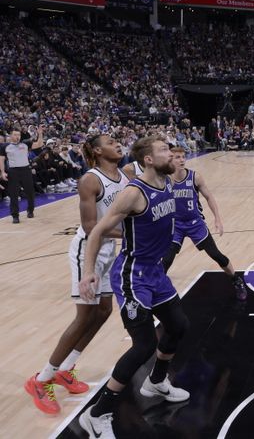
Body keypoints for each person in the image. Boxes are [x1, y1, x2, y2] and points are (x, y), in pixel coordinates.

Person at [78, 137, 189, 438]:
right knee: (143, 346)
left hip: (155, 273)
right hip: (132, 276)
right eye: (166, 151)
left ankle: (156, 381)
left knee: (178, 326)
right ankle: (97, 414)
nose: (174, 154)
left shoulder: (166, 182)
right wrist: (89, 272)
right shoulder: (133, 193)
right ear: (149, 160)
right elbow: (97, 230)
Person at [24, 134, 128, 415]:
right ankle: (41, 378)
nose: (117, 143)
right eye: (109, 141)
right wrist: (133, 233)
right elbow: (91, 225)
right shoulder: (90, 180)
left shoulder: (123, 176)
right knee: (84, 316)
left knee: (103, 311)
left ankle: (66, 368)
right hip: (88, 250)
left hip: (109, 248)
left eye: (117, 140)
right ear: (96, 150)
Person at [161, 146, 247, 300]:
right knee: (166, 260)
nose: (181, 160)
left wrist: (217, 218)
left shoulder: (195, 177)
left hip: (195, 224)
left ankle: (236, 280)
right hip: (175, 225)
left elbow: (209, 197)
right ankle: (157, 289)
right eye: (177, 157)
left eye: (183, 157)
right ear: (170, 159)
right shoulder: (164, 179)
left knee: (216, 255)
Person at [0, 126, 44, 223]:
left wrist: (40, 133)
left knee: (30, 193)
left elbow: (39, 144)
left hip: (26, 170)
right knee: (14, 195)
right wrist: (2, 172)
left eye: (19, 135)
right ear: (11, 135)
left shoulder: (25, 144)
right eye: (15, 135)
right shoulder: (5, 146)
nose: (17, 137)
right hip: (13, 171)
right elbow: (1, 160)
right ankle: (15, 216)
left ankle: (30, 210)